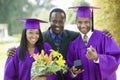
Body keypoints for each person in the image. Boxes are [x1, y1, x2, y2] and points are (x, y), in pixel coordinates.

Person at [65, 6, 120, 80]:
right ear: (76, 22)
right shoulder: (74, 45)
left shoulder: (104, 38)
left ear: (91, 21)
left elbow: (115, 59)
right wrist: (73, 71)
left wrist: (98, 58)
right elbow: (68, 69)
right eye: (80, 22)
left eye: (86, 22)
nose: (83, 25)